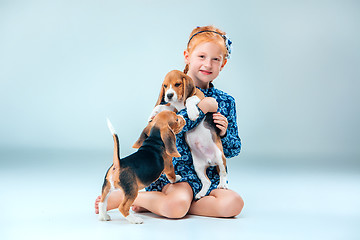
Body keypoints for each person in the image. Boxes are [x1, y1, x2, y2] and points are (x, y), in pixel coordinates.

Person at [95, 25, 244, 218]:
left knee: (233, 204)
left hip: (207, 178)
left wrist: (224, 133)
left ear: (222, 64)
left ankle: (159, 204)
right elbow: (165, 135)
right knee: (177, 205)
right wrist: (201, 109)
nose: (208, 64)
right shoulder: (171, 95)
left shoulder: (225, 101)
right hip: (176, 177)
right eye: (201, 56)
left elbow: (233, 150)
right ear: (187, 56)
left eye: (215, 59)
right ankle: (129, 196)